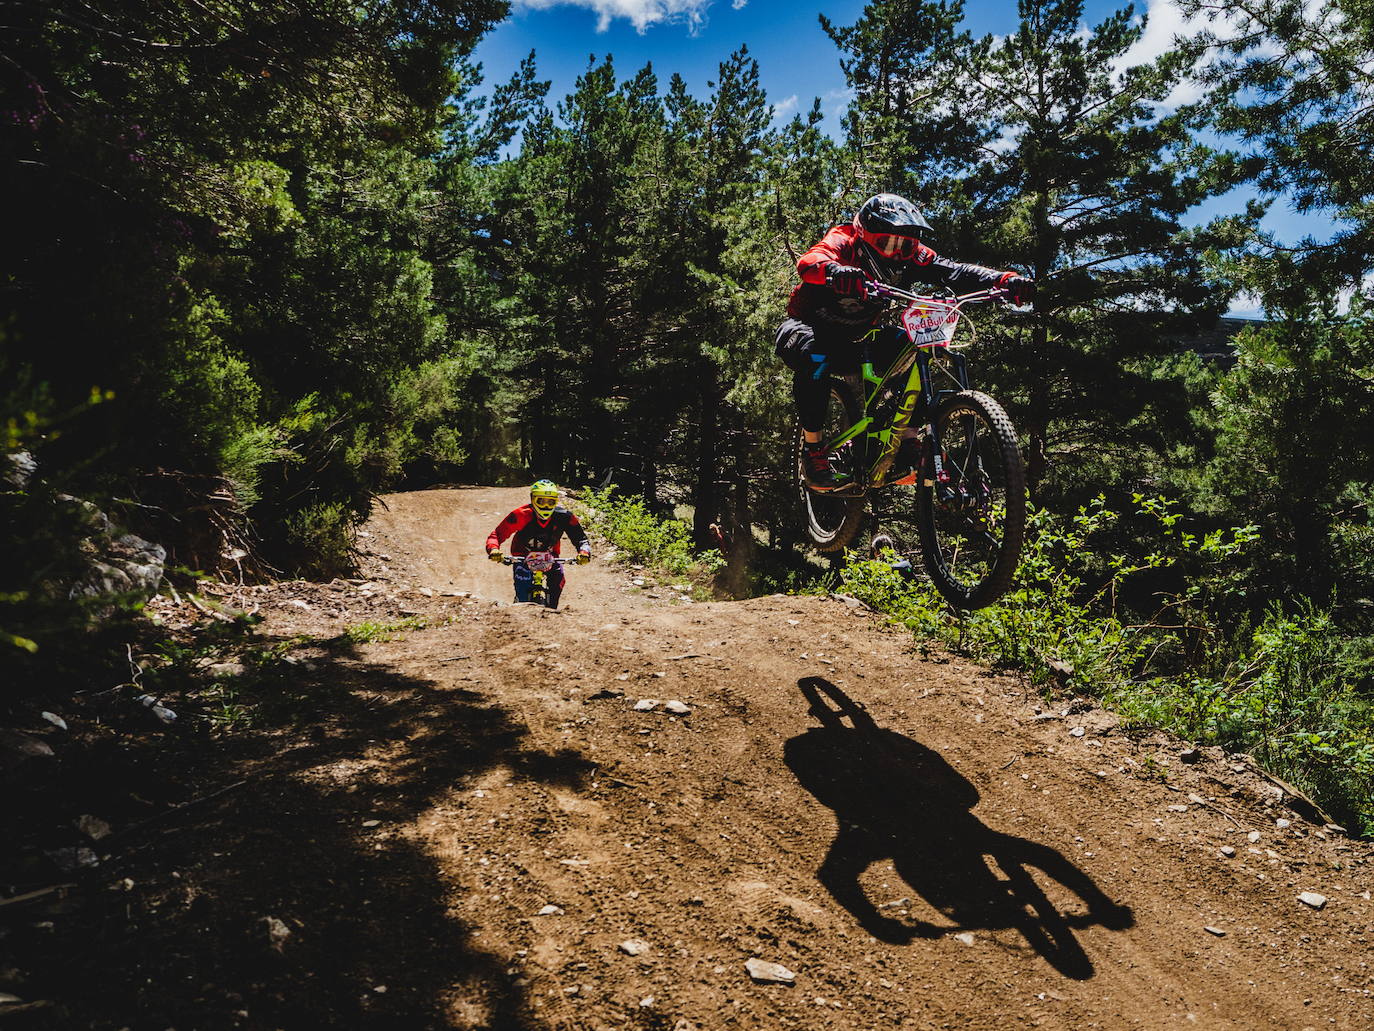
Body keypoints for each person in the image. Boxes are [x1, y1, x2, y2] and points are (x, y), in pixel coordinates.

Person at [777, 193, 1035, 490]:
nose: (896, 253)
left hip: (861, 339)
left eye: (906, 245)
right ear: (864, 234)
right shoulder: (844, 239)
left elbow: (955, 270)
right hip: (808, 328)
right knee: (814, 355)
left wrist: (1003, 280)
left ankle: (908, 442)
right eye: (888, 243)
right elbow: (810, 261)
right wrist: (836, 271)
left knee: (916, 348)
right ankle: (813, 451)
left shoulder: (912, 256)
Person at [485, 480, 591, 608]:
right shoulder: (521, 515)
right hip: (522, 555)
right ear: (533, 499)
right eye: (541, 501)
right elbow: (497, 534)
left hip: (550, 555)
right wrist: (494, 550)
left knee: (557, 582)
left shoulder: (565, 517)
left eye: (550, 502)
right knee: (522, 588)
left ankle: (553, 612)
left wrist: (584, 552)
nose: (546, 506)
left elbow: (581, 538)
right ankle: (520, 607)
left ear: (556, 502)